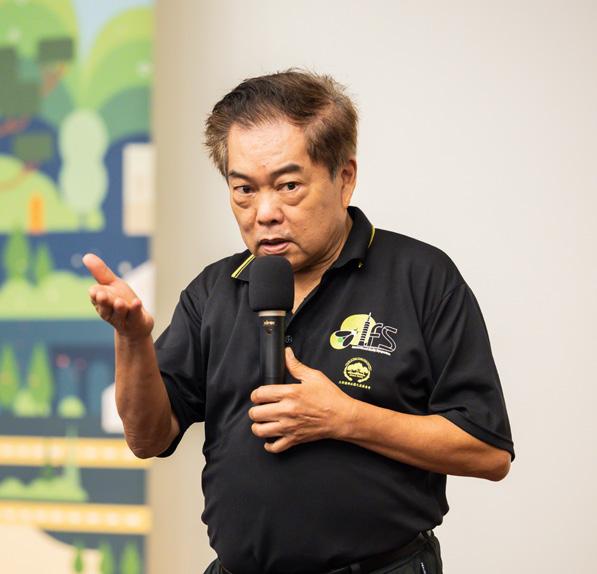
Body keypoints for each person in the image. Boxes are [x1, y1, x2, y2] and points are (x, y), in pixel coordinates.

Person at [83, 70, 515, 574]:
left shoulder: (421, 277)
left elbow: (488, 452)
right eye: (243, 190)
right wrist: (133, 339)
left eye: (288, 186)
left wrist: (346, 418)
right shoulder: (213, 290)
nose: (264, 212)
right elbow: (147, 438)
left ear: (344, 178)